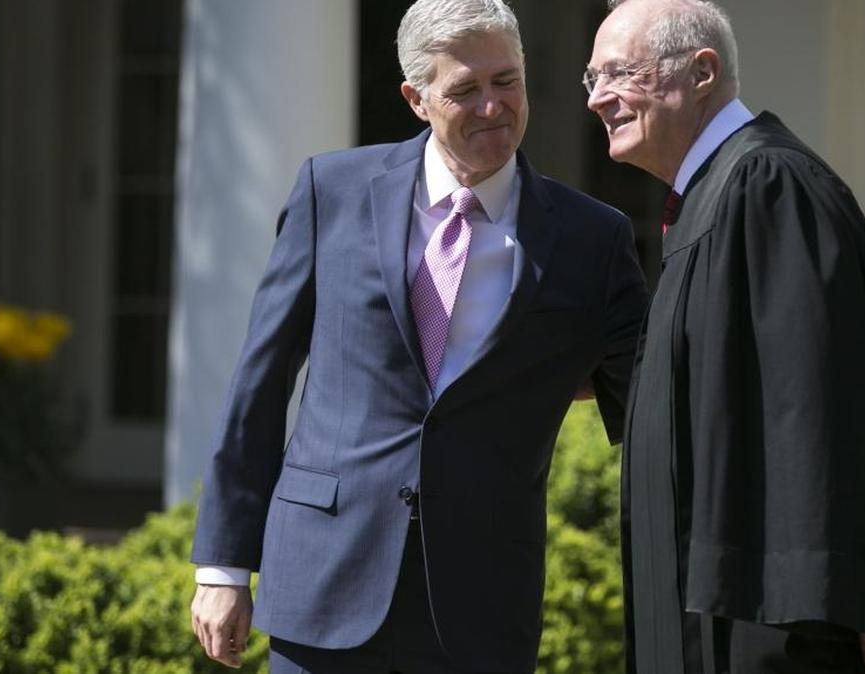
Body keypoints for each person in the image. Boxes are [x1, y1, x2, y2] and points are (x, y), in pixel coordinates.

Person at [187, 1, 650, 672]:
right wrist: (224, 566)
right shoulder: (333, 191)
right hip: (324, 583)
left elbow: (650, 391)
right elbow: (261, 378)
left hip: (480, 600)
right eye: (465, 90)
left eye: (507, 81)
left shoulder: (591, 238)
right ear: (417, 98)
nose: (494, 106)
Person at [585, 1, 865, 672]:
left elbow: (818, 421)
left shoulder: (770, 184)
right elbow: (770, 379)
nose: (598, 98)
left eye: (619, 73)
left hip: (773, 632)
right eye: (591, 78)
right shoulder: (707, 199)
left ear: (702, 71)